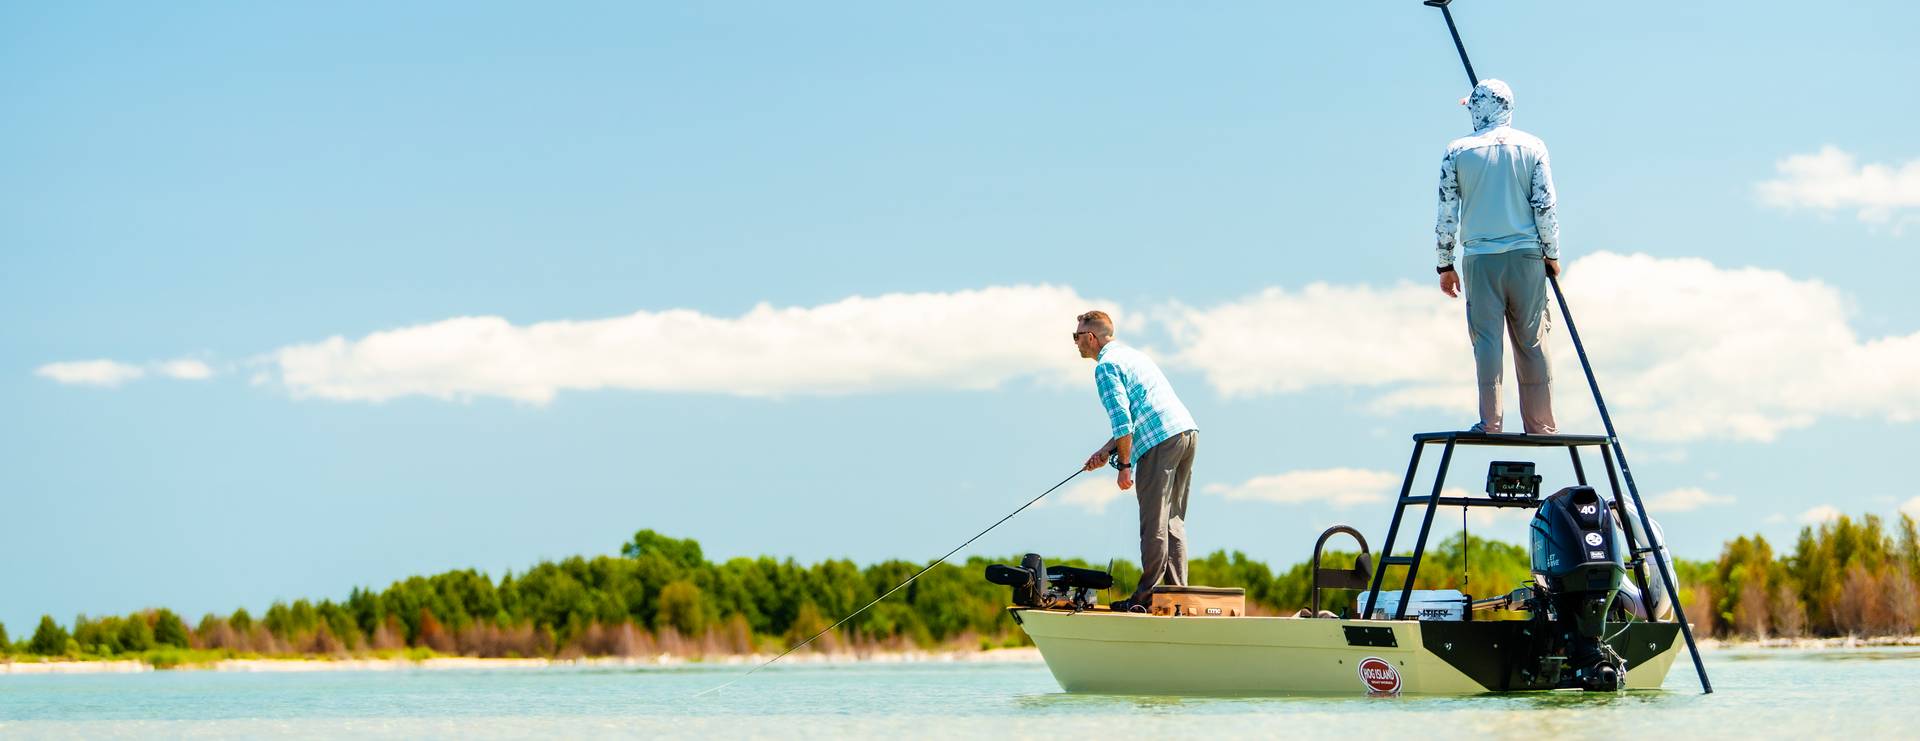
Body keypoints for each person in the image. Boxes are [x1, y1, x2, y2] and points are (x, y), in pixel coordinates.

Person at [1434, 78, 1560, 435]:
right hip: (1526, 257)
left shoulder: (1457, 151)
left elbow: (1447, 213)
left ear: (1476, 109)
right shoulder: (1533, 146)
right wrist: (1551, 253)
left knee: (1487, 341)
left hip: (1480, 258)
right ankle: (1542, 425)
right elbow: (1546, 206)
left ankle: (1491, 422)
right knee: (1532, 339)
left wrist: (1445, 263)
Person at [1072, 310, 1198, 612]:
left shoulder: (1105, 367)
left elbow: (1123, 421)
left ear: (1091, 337)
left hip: (1160, 442)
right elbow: (1136, 415)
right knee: (1172, 522)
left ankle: (1145, 598)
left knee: (1153, 523)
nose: (1075, 343)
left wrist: (1125, 466)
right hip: (1185, 433)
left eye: (1076, 337)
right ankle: (1176, 596)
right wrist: (1106, 452)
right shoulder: (1134, 356)